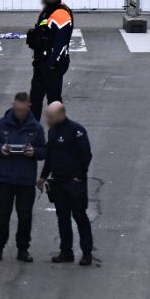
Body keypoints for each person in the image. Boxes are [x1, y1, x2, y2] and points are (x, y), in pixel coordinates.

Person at [0, 92, 47, 262]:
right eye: (17, 109)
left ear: (28, 107)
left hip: (25, 180)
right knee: (1, 215)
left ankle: (23, 249)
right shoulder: (1, 124)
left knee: (25, 217)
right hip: (4, 179)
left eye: (22, 110)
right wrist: (0, 149)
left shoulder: (36, 128)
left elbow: (44, 151)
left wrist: (34, 152)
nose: (19, 113)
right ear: (13, 105)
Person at [40, 101, 95, 266]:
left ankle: (87, 252)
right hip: (58, 181)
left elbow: (86, 155)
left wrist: (79, 176)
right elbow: (50, 156)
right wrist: (43, 177)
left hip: (74, 183)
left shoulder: (76, 131)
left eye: (51, 117)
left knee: (80, 216)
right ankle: (66, 251)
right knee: (62, 218)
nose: (48, 120)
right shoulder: (52, 132)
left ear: (60, 115)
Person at [27, 0, 74, 108]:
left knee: (54, 101)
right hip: (41, 62)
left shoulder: (61, 13)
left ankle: (58, 122)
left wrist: (52, 64)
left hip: (52, 64)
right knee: (35, 99)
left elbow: (61, 42)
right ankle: (33, 122)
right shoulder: (47, 10)